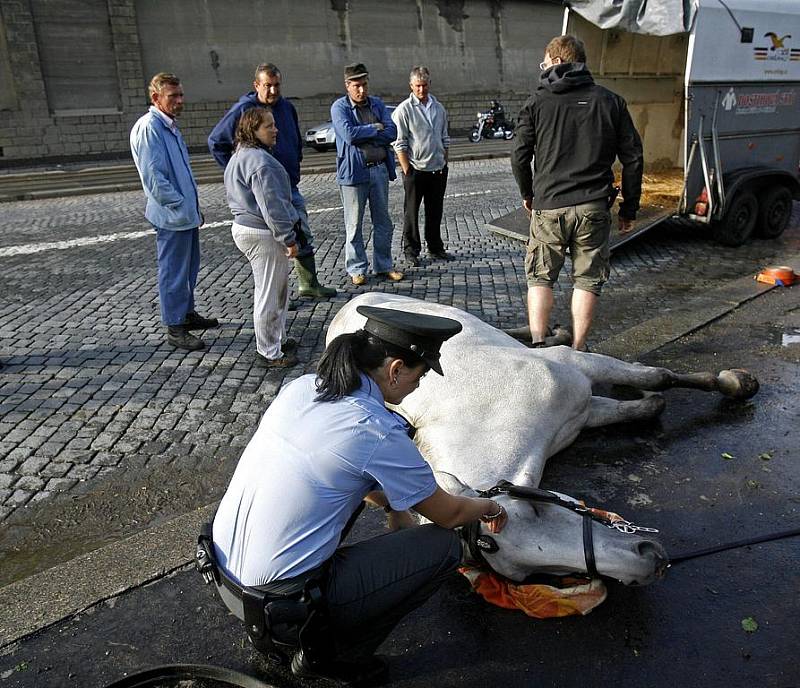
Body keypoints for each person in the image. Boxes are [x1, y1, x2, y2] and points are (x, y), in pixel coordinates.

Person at [212, 305, 507, 685]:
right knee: (443, 547)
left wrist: (393, 506)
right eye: (420, 376)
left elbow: (346, 476)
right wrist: (489, 505)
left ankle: (288, 634)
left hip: (226, 578)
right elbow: (448, 515)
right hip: (278, 601)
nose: (420, 386)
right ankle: (332, 656)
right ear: (396, 369)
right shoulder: (376, 429)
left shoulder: (303, 388)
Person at [511, 35, 643, 352]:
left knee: (540, 278)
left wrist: (528, 193)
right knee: (587, 280)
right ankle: (579, 349)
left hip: (550, 205)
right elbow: (634, 158)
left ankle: (540, 345)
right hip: (593, 207)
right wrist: (629, 209)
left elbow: (518, 155)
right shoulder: (610, 101)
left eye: (544, 63)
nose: (542, 69)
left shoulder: (537, 102)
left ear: (557, 61)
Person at [208, 63, 336, 300]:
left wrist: (295, 159)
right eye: (268, 85)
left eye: (277, 85)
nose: (273, 91)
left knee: (301, 231)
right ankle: (279, 297)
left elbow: (295, 138)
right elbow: (216, 142)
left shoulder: (287, 107)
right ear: (256, 85)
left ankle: (308, 283)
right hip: (263, 189)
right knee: (277, 243)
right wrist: (238, 174)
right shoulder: (244, 110)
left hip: (289, 184)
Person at [130, 72, 219, 351]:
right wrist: (181, 206)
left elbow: (180, 174)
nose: (180, 101)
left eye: (181, 95)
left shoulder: (169, 125)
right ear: (156, 98)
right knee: (173, 271)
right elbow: (155, 179)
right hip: (172, 217)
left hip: (183, 215)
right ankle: (175, 326)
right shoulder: (150, 128)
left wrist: (192, 208)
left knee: (188, 269)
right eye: (173, 96)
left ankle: (186, 313)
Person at [223, 107, 300, 368]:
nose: (275, 130)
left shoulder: (241, 155)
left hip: (248, 228)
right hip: (261, 233)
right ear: (253, 130)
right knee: (269, 293)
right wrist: (288, 238)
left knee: (276, 290)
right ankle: (269, 351)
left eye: (274, 124)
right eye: (268, 126)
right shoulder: (260, 162)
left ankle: (276, 339)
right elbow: (272, 206)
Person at [331, 63, 404, 286]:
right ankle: (357, 268)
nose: (361, 90)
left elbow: (392, 131)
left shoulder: (378, 104)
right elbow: (349, 135)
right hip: (354, 173)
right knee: (354, 224)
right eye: (356, 86)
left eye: (364, 85)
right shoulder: (339, 108)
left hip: (379, 169)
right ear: (347, 86)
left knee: (383, 222)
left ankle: (384, 265)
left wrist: (372, 132)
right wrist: (375, 128)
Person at [392, 66, 452, 266]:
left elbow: (445, 138)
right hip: (415, 170)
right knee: (411, 212)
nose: (421, 90)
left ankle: (435, 247)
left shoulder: (438, 108)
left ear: (429, 84)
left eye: (424, 85)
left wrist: (445, 161)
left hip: (437, 168)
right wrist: (407, 169)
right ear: (411, 86)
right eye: (417, 86)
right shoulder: (404, 110)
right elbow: (399, 142)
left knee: (435, 210)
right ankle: (411, 250)